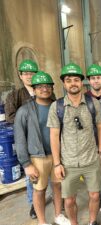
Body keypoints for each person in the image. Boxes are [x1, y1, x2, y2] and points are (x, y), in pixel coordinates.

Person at [47, 63, 101, 225]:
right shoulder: (57, 107)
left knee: (95, 195)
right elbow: (54, 135)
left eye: (76, 80)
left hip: (91, 159)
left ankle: (92, 221)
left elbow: (100, 127)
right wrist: (57, 164)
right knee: (70, 200)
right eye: (68, 80)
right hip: (68, 162)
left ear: (81, 82)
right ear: (64, 84)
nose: (73, 83)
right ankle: (74, 223)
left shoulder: (94, 103)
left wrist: (100, 153)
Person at [14, 71, 70, 225]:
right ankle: (42, 221)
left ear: (52, 88)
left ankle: (58, 215)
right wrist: (26, 164)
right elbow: (19, 139)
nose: (44, 89)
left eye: (47, 86)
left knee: (58, 186)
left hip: (57, 156)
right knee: (39, 190)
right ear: (34, 88)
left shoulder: (58, 107)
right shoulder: (24, 111)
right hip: (37, 157)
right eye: (40, 86)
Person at [5, 59, 39, 219]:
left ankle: (50, 196)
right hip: (26, 139)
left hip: (44, 139)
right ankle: (33, 203)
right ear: (20, 75)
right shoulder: (15, 95)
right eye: (26, 73)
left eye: (32, 73)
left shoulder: (44, 89)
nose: (29, 76)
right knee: (30, 172)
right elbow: (10, 117)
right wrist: (28, 120)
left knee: (47, 170)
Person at [86, 64, 101, 213]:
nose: (95, 81)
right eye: (92, 78)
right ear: (89, 81)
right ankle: (98, 195)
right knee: (95, 173)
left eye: (98, 78)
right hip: (90, 143)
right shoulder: (85, 97)